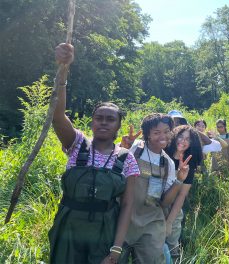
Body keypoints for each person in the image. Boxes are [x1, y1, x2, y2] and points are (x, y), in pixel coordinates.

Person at [49, 43, 140, 264]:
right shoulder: (77, 143)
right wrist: (63, 71)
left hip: (104, 233)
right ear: (92, 122)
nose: (103, 122)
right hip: (68, 229)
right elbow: (57, 116)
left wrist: (116, 249)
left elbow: (127, 205)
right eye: (99, 117)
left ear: (118, 126)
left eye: (110, 119)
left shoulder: (126, 158)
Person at [119, 113, 192, 264]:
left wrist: (179, 180)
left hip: (150, 223)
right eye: (156, 132)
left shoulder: (168, 163)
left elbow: (165, 202)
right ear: (147, 135)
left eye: (166, 131)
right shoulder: (134, 148)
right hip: (122, 218)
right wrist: (122, 149)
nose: (163, 136)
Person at [164, 125, 203, 261]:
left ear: (192, 143)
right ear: (174, 136)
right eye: (180, 136)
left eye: (188, 139)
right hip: (153, 207)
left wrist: (169, 222)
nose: (183, 141)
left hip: (173, 210)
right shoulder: (162, 153)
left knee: (172, 247)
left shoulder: (189, 164)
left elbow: (181, 195)